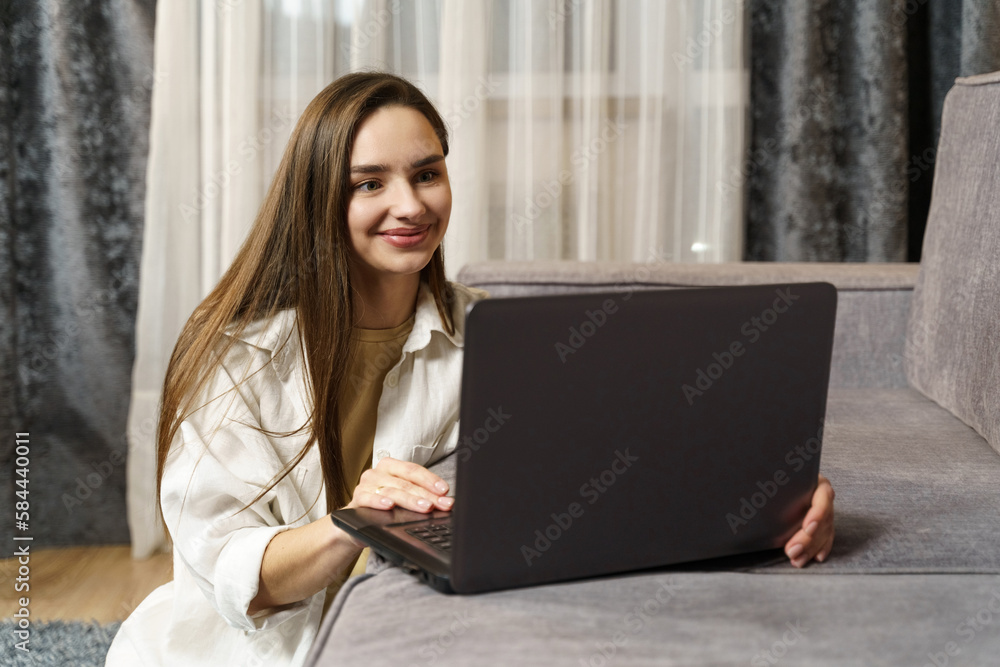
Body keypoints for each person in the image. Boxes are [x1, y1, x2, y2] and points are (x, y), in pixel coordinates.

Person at [106, 72, 835, 667]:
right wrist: (356, 523)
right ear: (319, 198)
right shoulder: (237, 352)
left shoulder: (494, 338)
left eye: (427, 173)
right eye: (369, 183)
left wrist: (780, 493)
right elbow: (235, 569)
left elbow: (619, 467)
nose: (410, 204)